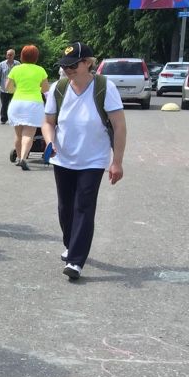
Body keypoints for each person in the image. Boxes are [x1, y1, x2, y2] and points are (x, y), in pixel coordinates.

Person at [42, 42, 127, 281]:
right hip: (63, 158)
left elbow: (119, 126)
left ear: (88, 62)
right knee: (65, 208)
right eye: (65, 65)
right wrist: (50, 142)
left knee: (84, 207)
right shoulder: (59, 88)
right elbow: (48, 122)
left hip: (94, 159)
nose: (68, 69)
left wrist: (116, 161)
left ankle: (76, 261)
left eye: (73, 65)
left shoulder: (104, 87)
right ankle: (71, 244)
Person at [5, 45, 50, 170]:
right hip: (33, 103)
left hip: (17, 103)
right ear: (36, 57)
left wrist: (18, 89)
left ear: (22, 56)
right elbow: (46, 89)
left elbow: (8, 88)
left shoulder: (15, 69)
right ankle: (24, 158)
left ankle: (19, 158)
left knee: (18, 134)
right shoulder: (40, 70)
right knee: (29, 134)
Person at [0, 48, 19, 124]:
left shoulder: (18, 64)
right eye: (8, 54)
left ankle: (15, 119)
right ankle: (4, 119)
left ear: (14, 55)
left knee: (15, 104)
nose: (9, 56)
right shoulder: (1, 64)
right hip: (4, 88)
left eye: (10, 55)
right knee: (4, 105)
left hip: (15, 89)